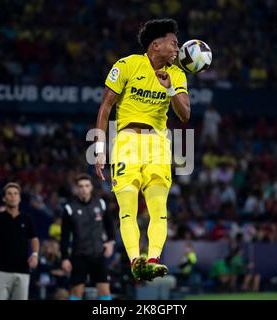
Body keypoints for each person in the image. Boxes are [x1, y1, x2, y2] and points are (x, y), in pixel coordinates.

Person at [94, 18, 190, 282]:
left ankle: (153, 259)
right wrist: (100, 149)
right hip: (126, 142)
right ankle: (136, 260)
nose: (176, 48)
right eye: (173, 43)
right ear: (155, 45)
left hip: (158, 143)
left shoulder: (177, 74)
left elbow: (185, 114)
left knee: (159, 208)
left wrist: (169, 88)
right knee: (128, 208)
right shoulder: (127, 65)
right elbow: (105, 108)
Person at [0, 182, 39, 300]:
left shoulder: (27, 219)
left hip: (23, 271)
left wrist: (35, 254)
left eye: (16, 194)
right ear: (4, 198)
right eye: (9, 194)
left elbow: (34, 238)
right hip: (0, 271)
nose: (13, 196)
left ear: (20, 198)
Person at [60, 174, 115, 300]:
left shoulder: (101, 204)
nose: (84, 189)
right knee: (76, 293)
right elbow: (64, 236)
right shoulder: (69, 208)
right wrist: (64, 258)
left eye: (86, 186)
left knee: (105, 293)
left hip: (98, 254)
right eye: (80, 186)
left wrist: (110, 242)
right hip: (79, 255)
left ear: (91, 187)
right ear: (76, 188)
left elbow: (110, 226)